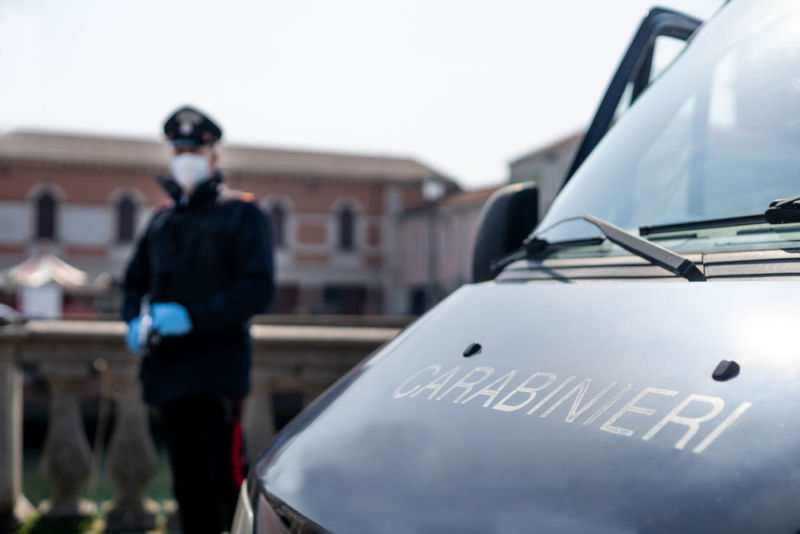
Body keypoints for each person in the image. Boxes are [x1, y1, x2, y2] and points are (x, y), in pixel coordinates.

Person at [122, 105, 274, 533]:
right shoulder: (161, 220)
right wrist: (133, 320)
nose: (186, 158)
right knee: (187, 488)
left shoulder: (242, 214)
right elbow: (133, 283)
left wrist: (193, 317)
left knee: (226, 483)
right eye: (179, 150)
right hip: (168, 375)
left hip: (216, 376)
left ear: (214, 156)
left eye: (195, 150)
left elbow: (257, 289)